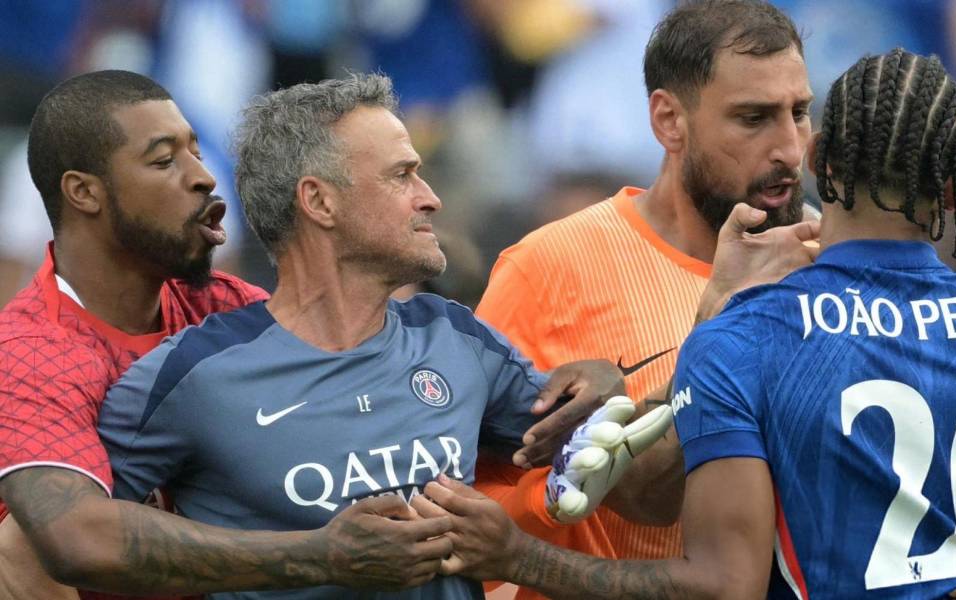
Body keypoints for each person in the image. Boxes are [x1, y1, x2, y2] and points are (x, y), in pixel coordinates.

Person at [412, 48, 956, 600]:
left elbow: (721, 584)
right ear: (954, 187)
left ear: (819, 158)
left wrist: (520, 558)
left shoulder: (747, 337)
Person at [94, 73, 629, 600]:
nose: (430, 199)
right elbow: (80, 538)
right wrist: (310, 558)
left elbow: (629, 476)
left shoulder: (455, 336)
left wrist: (613, 397)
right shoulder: (194, 374)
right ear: (319, 202)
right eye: (402, 175)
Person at [0, 70, 472, 599]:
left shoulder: (224, 306)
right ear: (84, 192)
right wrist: (322, 556)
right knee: (19, 543)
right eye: (164, 161)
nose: (204, 178)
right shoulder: (29, 352)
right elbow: (74, 542)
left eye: (197, 153)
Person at [473, 4, 815, 594]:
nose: (789, 148)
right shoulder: (548, 268)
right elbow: (469, 510)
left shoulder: (834, 270)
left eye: (799, 113)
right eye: (753, 118)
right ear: (669, 121)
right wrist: (557, 493)